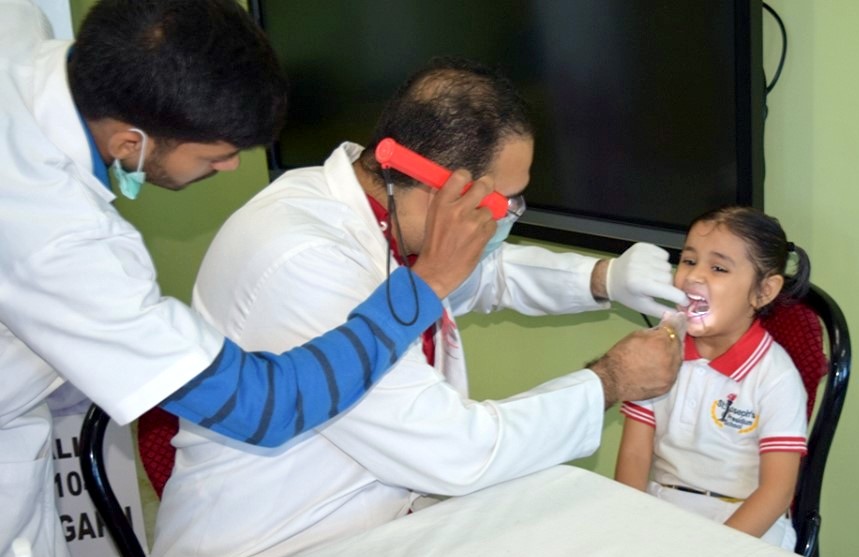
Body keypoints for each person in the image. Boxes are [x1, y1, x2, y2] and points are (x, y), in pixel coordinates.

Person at [0, 2, 499, 556]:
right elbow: (265, 405)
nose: (231, 168)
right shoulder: (61, 245)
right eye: (217, 156)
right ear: (128, 144)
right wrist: (422, 287)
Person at [152, 56, 689, 556]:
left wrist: (603, 278)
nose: (511, 218)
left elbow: (480, 277)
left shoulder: (380, 212)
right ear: (446, 190)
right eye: (505, 203)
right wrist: (611, 380)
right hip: (282, 539)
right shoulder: (305, 259)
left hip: (379, 519)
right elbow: (457, 451)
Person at [615, 206, 812, 550]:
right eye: (689, 261)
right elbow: (633, 455)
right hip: (662, 507)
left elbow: (777, 492)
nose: (693, 277)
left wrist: (714, 547)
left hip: (746, 524)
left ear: (764, 291)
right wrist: (630, 524)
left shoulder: (776, 378)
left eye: (718, 268)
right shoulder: (656, 352)